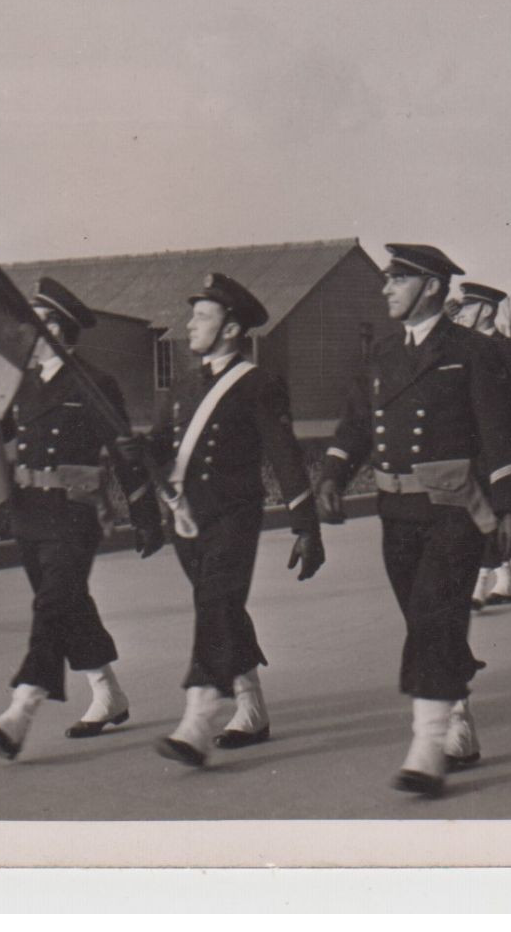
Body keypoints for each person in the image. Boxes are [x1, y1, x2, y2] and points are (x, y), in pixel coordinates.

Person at [316, 243, 511, 797]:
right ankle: (456, 716)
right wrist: (334, 475)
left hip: (454, 513)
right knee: (424, 621)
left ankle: (427, 747)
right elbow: (357, 425)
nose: (385, 288)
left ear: (431, 286)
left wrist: (510, 507)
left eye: (396, 279)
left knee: (435, 617)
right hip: (398, 513)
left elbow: (497, 433)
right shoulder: (384, 355)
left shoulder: (470, 352)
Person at [0, 279, 165, 760]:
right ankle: (108, 694)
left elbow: (123, 450)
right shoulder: (21, 382)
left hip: (74, 512)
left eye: (34, 325)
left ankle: (20, 712)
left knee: (51, 606)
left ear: (55, 328)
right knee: (66, 604)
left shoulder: (94, 383)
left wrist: (145, 513)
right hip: (30, 512)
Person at [139, 273, 324, 767]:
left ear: (230, 328)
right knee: (219, 608)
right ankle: (253, 708)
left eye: (202, 316)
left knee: (215, 605)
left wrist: (305, 523)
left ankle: (196, 722)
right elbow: (159, 446)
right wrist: (140, 458)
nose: (190, 324)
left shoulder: (257, 383)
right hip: (187, 520)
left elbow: (284, 454)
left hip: (232, 517)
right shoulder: (181, 385)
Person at [454, 281, 511, 607]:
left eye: (468, 307)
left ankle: (480, 581)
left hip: (500, 444)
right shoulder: (457, 348)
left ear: (487, 310)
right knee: (475, 509)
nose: (462, 313)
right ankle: (503, 577)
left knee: (493, 510)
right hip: (466, 445)